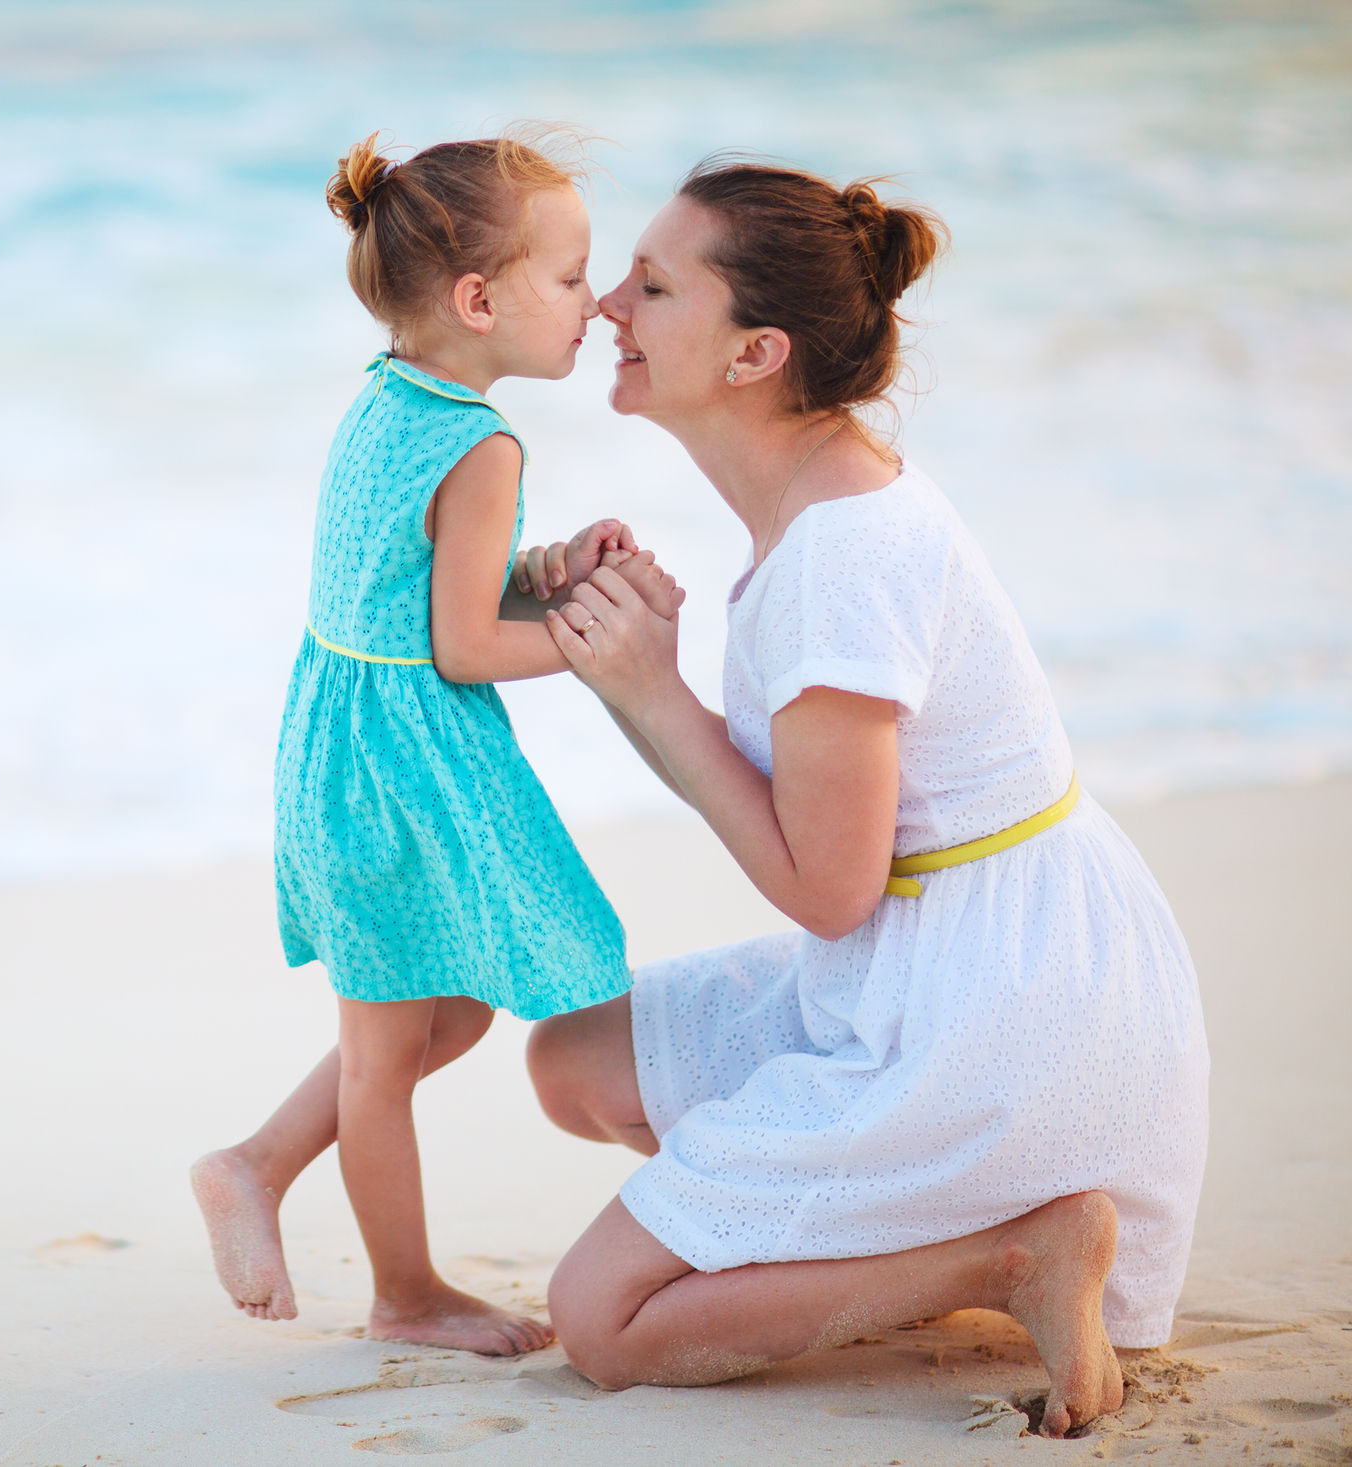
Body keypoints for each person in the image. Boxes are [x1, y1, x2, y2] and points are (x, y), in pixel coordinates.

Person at [513, 158, 1208, 1435]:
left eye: (653, 285)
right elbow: (835, 817)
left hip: (993, 1013)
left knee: (603, 1320)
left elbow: (830, 891)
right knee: (575, 1065)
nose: (608, 302)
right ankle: (858, 1244)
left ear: (754, 353)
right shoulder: (814, 495)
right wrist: (634, 665)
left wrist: (653, 698)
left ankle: (1002, 1257)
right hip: (946, 948)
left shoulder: (841, 550)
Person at [190, 131, 682, 1357]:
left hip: (342, 746)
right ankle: (400, 1293)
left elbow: (409, 591)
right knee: (384, 1049)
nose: (594, 302)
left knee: (444, 1016)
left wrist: (546, 569)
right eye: (569, 279)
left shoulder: (391, 393)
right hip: (403, 769)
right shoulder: (485, 441)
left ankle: (254, 1163)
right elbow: (462, 648)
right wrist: (587, 634)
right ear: (480, 299)